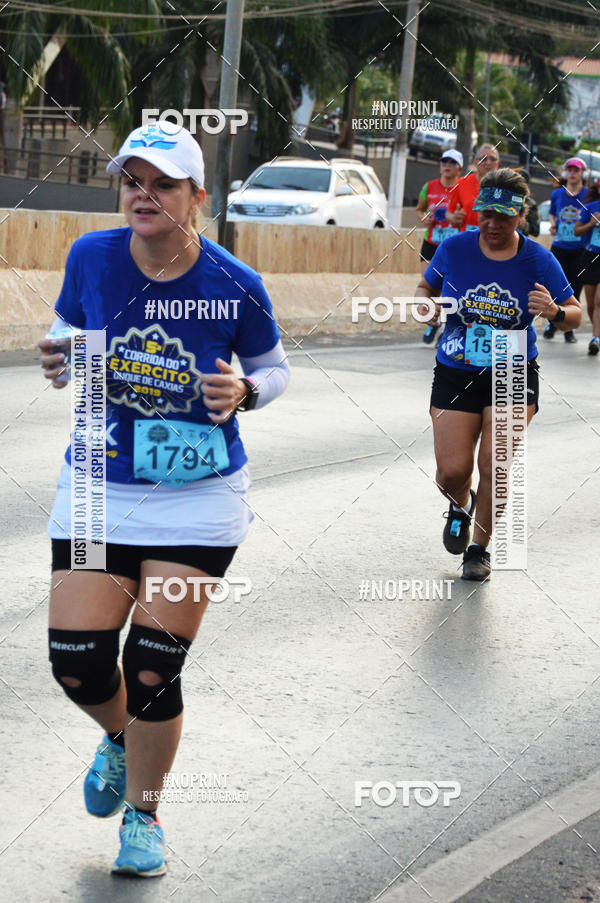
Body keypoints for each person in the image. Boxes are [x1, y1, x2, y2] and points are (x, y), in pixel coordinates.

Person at [38, 123, 290, 877]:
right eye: (131, 181)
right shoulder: (93, 256)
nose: (141, 195)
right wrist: (57, 353)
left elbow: (275, 370)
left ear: (197, 197)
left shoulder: (234, 281)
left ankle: (144, 816)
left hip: (197, 495)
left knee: (151, 665)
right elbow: (67, 327)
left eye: (161, 184)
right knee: (78, 662)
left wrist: (246, 390)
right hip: (94, 487)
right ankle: (119, 739)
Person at [415, 168, 581, 580]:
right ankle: (459, 504)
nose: (492, 224)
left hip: (513, 367)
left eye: (503, 217)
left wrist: (555, 312)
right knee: (451, 471)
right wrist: (424, 305)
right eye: (485, 214)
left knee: (496, 462)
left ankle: (478, 549)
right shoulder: (454, 249)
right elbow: (424, 288)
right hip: (456, 367)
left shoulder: (539, 259)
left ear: (520, 217)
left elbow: (574, 314)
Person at [416, 149, 463, 344]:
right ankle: (432, 323)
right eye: (444, 161)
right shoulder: (429, 186)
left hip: (453, 245)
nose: (447, 166)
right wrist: (423, 217)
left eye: (452, 162)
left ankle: (447, 326)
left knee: (448, 288)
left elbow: (468, 215)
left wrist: (454, 218)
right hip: (431, 243)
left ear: (459, 168)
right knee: (429, 284)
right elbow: (420, 209)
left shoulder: (463, 188)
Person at [545, 156, 588, 344]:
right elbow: (552, 214)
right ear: (565, 172)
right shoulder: (557, 194)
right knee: (555, 286)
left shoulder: (588, 195)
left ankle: (569, 329)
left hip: (580, 248)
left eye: (576, 170)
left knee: (574, 288)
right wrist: (553, 224)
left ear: (582, 173)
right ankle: (551, 323)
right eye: (569, 169)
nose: (572, 173)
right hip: (560, 247)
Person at [445, 143, 501, 233]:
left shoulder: (505, 186)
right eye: (483, 159)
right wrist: (454, 218)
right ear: (475, 163)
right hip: (467, 238)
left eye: (492, 159)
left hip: (494, 239)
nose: (488, 162)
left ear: (498, 163)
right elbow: (448, 213)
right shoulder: (461, 183)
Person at [574, 176, 600, 355]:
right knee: (590, 304)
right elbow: (577, 230)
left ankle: (595, 338)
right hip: (590, 256)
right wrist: (591, 223)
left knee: (599, 301)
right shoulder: (590, 208)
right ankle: (596, 333)